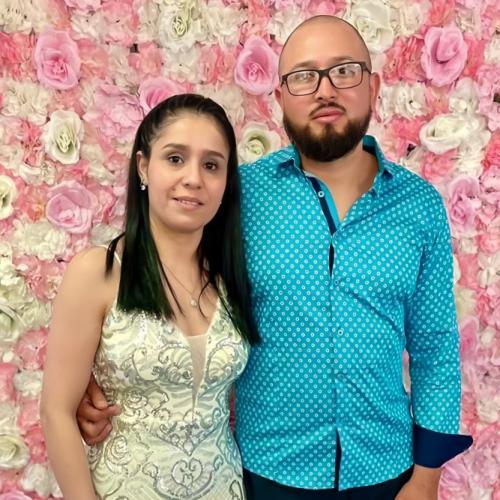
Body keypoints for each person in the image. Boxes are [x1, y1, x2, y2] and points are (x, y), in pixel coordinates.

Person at [75, 16, 472, 500]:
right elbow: (166, 274)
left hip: (388, 471)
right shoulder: (239, 195)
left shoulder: (419, 206)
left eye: (344, 71)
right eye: (305, 76)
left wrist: (427, 476)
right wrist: (99, 378)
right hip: (267, 473)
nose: (325, 90)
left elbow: (435, 347)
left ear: (373, 87)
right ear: (281, 97)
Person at [41, 93, 260, 500]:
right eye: (175, 158)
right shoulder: (99, 272)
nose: (193, 178)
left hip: (224, 488)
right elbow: (57, 411)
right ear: (143, 166)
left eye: (211, 165)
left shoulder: (232, 277)